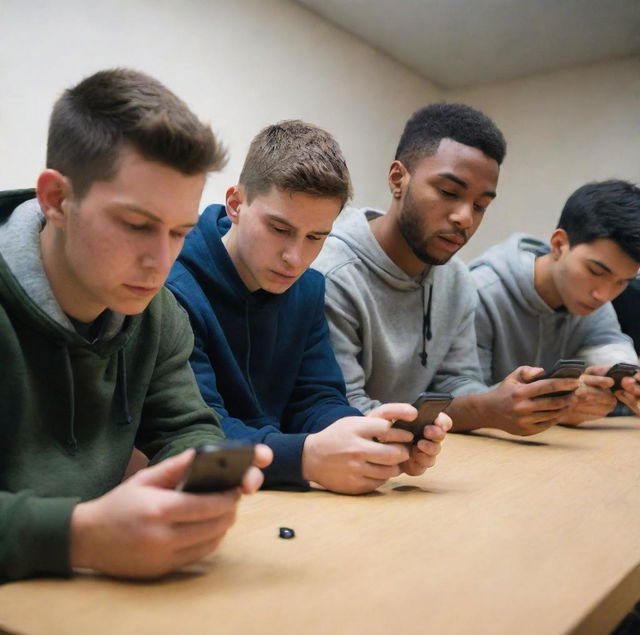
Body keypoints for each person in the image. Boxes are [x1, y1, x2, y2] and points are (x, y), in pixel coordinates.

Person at [0, 68, 271, 583]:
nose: (160, 261)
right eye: (137, 225)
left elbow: (187, 428)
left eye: (178, 232)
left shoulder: (159, 312)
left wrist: (198, 487)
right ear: (57, 199)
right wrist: (79, 535)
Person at [166, 120, 450, 495]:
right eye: (279, 229)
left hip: (278, 494)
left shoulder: (309, 288)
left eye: (316, 237)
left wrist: (365, 438)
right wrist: (306, 457)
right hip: (209, 490)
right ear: (236, 203)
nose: (295, 258)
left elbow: (316, 398)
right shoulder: (173, 286)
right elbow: (195, 431)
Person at [313, 102, 583, 437]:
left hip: (423, 454)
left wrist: (502, 400)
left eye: (481, 205)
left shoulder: (456, 279)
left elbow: (456, 380)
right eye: (448, 192)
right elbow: (345, 411)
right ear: (398, 179)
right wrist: (483, 410)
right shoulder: (332, 273)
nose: (465, 218)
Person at [470, 180, 640, 423]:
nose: (603, 295)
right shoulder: (480, 292)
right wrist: (556, 404)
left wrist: (627, 383)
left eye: (622, 281)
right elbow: (463, 397)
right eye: (596, 272)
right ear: (560, 244)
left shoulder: (595, 302)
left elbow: (610, 348)